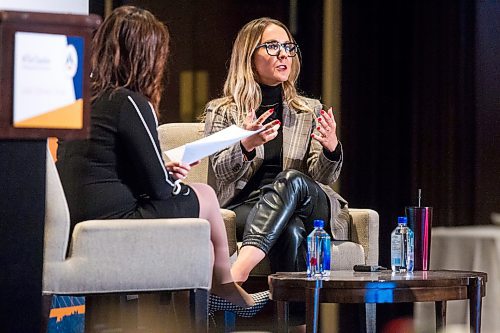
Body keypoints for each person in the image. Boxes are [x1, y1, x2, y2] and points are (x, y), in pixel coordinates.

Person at [55, 6, 267, 316]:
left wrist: (164, 169)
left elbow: (104, 167)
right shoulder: (129, 101)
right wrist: (168, 175)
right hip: (115, 221)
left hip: (81, 218)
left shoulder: (86, 99)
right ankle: (227, 287)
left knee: (202, 246)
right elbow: (159, 188)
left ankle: (211, 297)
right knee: (206, 196)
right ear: (147, 55)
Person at [204, 17, 350, 285]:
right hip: (246, 205)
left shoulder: (308, 110)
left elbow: (322, 176)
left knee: (290, 179)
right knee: (290, 231)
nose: (284, 54)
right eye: (272, 46)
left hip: (307, 203)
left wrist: (331, 148)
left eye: (288, 46)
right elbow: (221, 171)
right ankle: (297, 323)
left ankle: (238, 271)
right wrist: (246, 144)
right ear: (249, 57)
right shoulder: (223, 111)